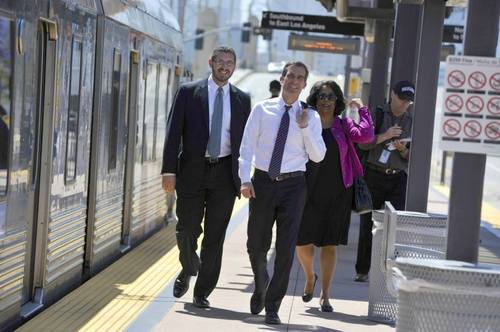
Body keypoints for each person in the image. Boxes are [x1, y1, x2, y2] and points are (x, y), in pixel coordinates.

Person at [161, 46, 251, 308]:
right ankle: (189, 265)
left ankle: (202, 292)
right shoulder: (189, 92)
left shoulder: (242, 99)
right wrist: (169, 171)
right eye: (220, 61)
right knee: (187, 228)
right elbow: (173, 133)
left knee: (215, 236)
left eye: (229, 62)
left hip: (225, 173)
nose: (225, 66)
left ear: (234, 66)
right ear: (211, 63)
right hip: (192, 170)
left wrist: (246, 177)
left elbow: (246, 143)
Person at [239, 61, 326, 325]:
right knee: (256, 243)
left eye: (300, 78)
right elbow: (246, 147)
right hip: (263, 182)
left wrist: (303, 128)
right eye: (290, 76)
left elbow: (318, 155)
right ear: (282, 78)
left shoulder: (310, 117)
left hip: (293, 186)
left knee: (286, 248)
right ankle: (261, 284)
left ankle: (273, 306)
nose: (294, 81)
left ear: (304, 84)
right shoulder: (261, 109)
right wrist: (245, 180)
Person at [296, 80, 374, 312]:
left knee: (330, 244)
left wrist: (362, 110)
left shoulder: (344, 125)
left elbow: (366, 136)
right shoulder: (306, 122)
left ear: (337, 101)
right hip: (307, 190)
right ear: (314, 100)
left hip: (339, 191)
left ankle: (326, 295)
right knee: (301, 241)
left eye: (330, 96)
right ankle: (310, 276)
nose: (326, 100)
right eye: (321, 96)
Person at [354, 80, 415, 282]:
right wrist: (385, 135)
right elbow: (363, 144)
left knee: (394, 226)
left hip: (397, 178)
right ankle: (363, 270)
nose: (405, 104)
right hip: (373, 174)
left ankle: (389, 272)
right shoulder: (377, 114)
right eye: (402, 99)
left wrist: (402, 149)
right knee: (367, 224)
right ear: (392, 94)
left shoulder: (411, 121)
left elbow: (413, 157)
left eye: (408, 101)